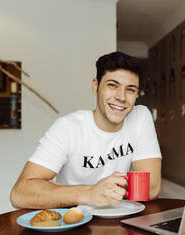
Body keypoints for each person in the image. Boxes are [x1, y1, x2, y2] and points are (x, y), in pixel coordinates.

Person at [10, 52, 162, 209]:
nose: (121, 97)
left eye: (130, 89)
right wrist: (89, 193)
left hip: (119, 218)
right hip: (75, 222)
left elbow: (152, 188)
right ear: (96, 86)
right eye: (112, 85)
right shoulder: (68, 128)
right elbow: (20, 193)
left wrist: (104, 191)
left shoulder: (140, 117)